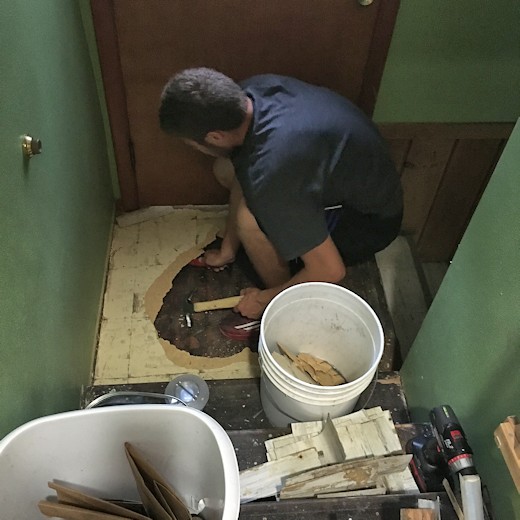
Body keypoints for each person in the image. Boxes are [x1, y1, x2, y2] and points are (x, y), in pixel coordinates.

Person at [159, 68, 403, 320]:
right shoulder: (253, 92)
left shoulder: (273, 172)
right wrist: (228, 249)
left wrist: (265, 299)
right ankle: (276, 271)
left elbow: (331, 270)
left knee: (249, 223)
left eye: (192, 144)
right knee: (226, 169)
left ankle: (289, 307)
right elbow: (246, 168)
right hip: (347, 174)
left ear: (215, 137)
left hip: (368, 221)